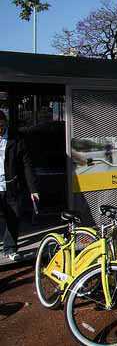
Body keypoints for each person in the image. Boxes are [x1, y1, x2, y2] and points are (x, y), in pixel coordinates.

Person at [0, 110, 39, 261]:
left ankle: (10, 248)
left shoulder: (17, 139)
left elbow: (26, 165)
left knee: (14, 217)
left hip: (11, 186)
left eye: (1, 126)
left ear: (6, 123)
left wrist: (33, 189)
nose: (0, 130)